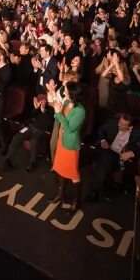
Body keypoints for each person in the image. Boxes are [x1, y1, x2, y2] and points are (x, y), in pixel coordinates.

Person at [87, 113, 140, 201]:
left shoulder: (139, 132)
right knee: (106, 158)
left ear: (129, 127)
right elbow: (101, 130)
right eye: (119, 122)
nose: (118, 124)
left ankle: (96, 192)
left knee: (105, 163)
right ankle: (98, 191)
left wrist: (131, 153)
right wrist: (103, 140)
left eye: (122, 124)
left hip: (121, 157)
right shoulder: (112, 123)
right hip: (108, 149)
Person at [47, 80, 86, 215]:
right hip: (61, 141)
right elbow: (58, 114)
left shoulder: (80, 111)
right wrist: (52, 98)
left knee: (73, 174)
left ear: (73, 94)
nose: (65, 92)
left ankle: (76, 202)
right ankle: (61, 194)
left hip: (70, 144)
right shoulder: (67, 102)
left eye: (67, 91)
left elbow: (70, 128)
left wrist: (58, 113)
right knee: (59, 168)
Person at [1, 96, 54, 172]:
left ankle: (32, 163)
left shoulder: (54, 108)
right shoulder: (42, 103)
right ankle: (8, 160)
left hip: (41, 130)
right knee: (17, 137)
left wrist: (43, 110)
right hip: (31, 127)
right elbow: (31, 116)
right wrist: (36, 108)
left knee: (34, 140)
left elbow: (49, 122)